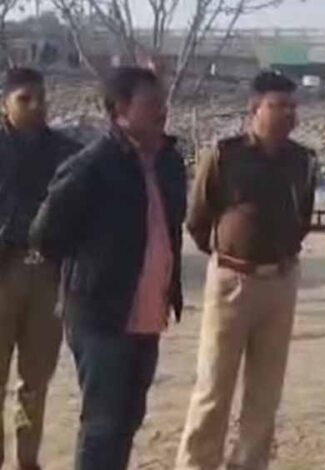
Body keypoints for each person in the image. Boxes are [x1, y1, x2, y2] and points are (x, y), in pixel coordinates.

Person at [29, 66, 187, 470]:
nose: (162, 110)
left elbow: (171, 230)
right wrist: (90, 273)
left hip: (147, 313)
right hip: (101, 316)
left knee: (128, 418)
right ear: (120, 110)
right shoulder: (91, 166)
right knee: (102, 423)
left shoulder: (168, 162)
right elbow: (46, 235)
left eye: (163, 102)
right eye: (151, 103)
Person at [176, 71, 317, 470]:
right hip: (232, 282)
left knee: (265, 392)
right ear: (255, 109)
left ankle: (249, 463)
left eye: (292, 106)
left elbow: (303, 216)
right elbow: (199, 218)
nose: (288, 114)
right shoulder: (226, 156)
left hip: (280, 282)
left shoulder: (303, 161)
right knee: (213, 385)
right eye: (278, 105)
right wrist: (229, 256)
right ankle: (197, 463)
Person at [0, 67, 81, 470]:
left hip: (48, 275)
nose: (36, 106)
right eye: (25, 99)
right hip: (3, 271)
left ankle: (27, 459)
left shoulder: (66, 152)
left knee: (36, 378)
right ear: (5, 104)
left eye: (41, 99)